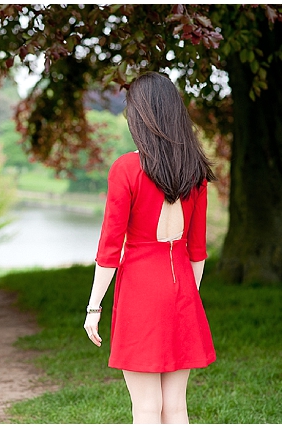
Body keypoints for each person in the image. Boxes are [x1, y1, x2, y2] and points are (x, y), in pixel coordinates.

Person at [83, 72, 216, 424]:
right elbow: (197, 250)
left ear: (140, 115)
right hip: (183, 288)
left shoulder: (127, 168)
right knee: (175, 409)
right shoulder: (195, 170)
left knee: (145, 409)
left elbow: (109, 249)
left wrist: (93, 307)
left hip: (141, 291)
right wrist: (186, 296)